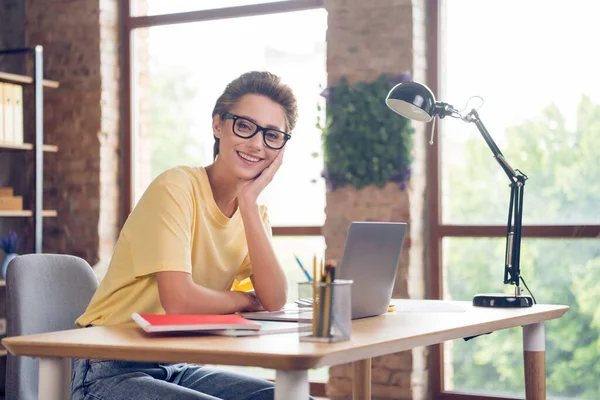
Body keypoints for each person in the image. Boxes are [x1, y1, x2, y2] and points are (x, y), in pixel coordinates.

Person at [71, 71, 306, 400]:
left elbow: (276, 299)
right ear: (218, 125)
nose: (257, 143)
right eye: (244, 126)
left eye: (272, 135)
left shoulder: (254, 215)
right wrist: (244, 300)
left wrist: (249, 204)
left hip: (174, 365)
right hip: (107, 366)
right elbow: (179, 301)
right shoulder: (177, 186)